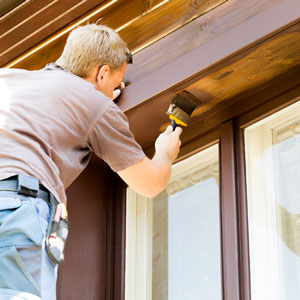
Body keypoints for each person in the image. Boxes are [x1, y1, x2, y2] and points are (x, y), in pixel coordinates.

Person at [0, 24, 182, 299]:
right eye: (115, 84)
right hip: (17, 206)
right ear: (102, 72)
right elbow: (150, 183)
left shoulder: (8, 79)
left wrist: (98, 96)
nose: (114, 92)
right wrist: (165, 154)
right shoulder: (94, 105)